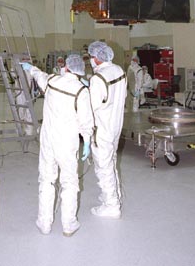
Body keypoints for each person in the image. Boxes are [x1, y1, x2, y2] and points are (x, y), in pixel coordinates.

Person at [22, 54, 94, 237]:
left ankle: (44, 223)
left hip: (48, 140)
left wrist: (31, 68)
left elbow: (40, 76)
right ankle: (69, 224)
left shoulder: (53, 81)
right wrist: (87, 141)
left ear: (66, 68)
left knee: (46, 179)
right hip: (67, 143)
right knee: (69, 182)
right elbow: (86, 121)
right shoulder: (81, 91)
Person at [88, 41, 127, 218]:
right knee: (111, 160)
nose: (90, 60)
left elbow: (92, 106)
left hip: (102, 128)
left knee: (103, 167)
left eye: (91, 56)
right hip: (115, 125)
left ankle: (111, 205)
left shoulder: (98, 78)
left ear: (97, 58)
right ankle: (114, 194)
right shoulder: (119, 70)